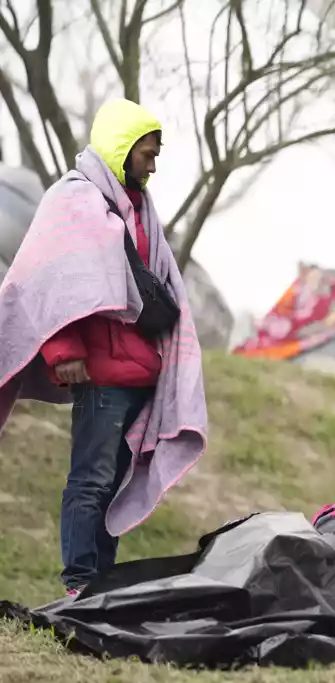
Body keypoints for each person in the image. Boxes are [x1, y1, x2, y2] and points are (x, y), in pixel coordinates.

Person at [0, 98, 208, 598]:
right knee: (90, 480)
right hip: (98, 374)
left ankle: (103, 588)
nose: (153, 164)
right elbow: (51, 281)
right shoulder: (73, 199)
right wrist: (62, 351)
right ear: (122, 147)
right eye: (148, 153)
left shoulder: (141, 208)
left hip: (141, 372)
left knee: (113, 485)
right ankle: (79, 584)